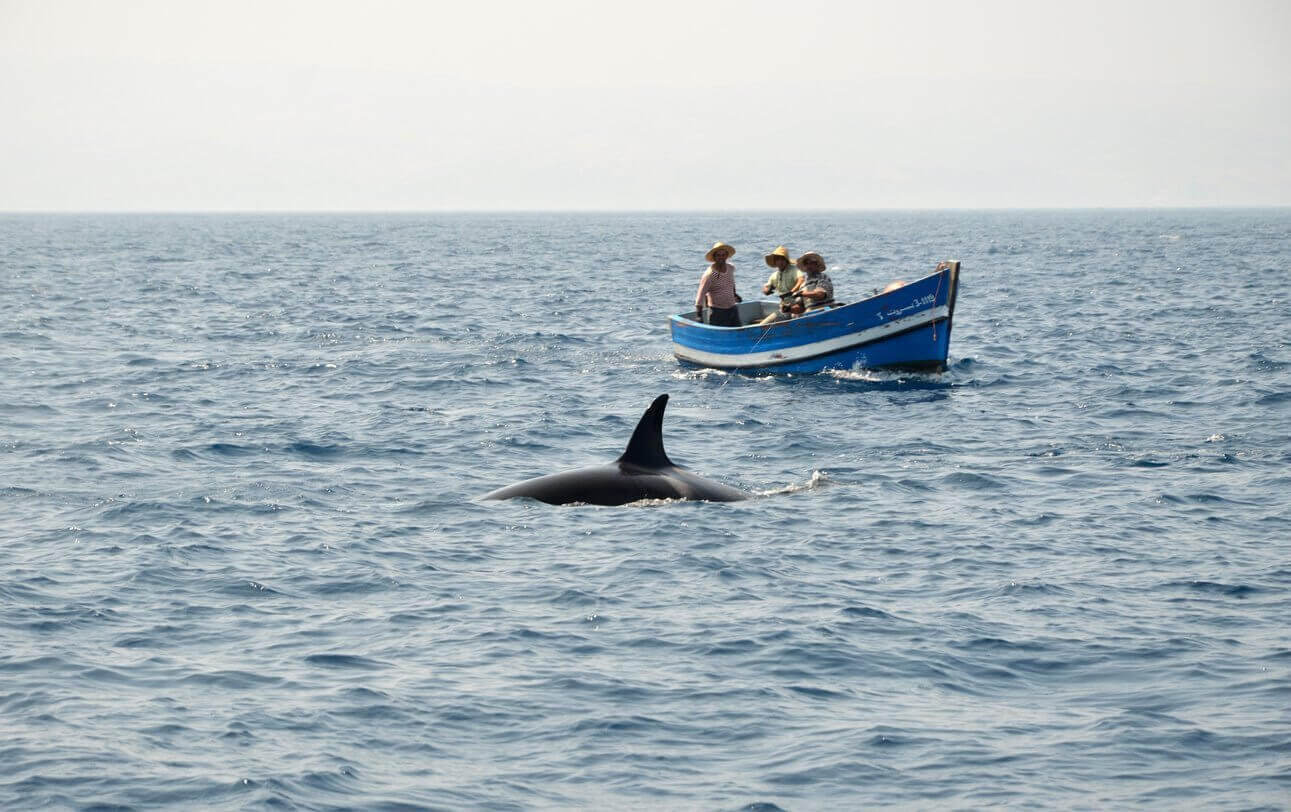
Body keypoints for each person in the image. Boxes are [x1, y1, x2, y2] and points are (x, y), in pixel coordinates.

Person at [694, 241, 742, 327]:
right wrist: (699, 316)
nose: (721, 257)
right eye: (718, 255)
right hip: (717, 312)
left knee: (737, 332)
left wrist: (735, 294)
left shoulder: (730, 268)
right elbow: (700, 295)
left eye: (723, 255)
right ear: (714, 257)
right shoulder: (710, 274)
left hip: (732, 309)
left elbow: (730, 282)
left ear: (727, 256)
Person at [757, 246, 802, 325]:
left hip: (797, 306)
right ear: (775, 262)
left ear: (786, 260)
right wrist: (767, 290)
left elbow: (801, 280)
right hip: (784, 308)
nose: (780, 262)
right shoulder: (774, 276)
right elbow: (766, 287)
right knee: (763, 325)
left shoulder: (794, 270)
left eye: (782, 259)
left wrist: (792, 292)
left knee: (797, 322)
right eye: (777, 259)